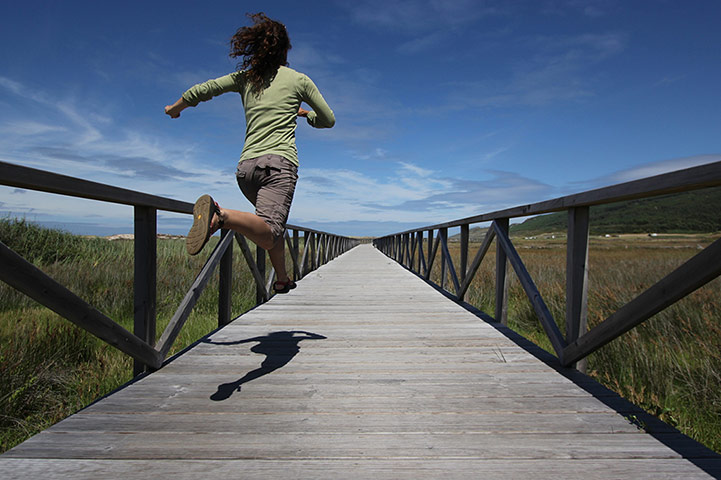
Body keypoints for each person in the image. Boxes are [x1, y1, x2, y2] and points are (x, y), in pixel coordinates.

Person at [164, 13, 335, 294]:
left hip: (246, 170)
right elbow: (329, 119)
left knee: (268, 226)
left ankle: (281, 279)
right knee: (270, 231)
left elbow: (204, 89)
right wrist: (307, 116)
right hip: (278, 167)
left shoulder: (246, 78)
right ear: (284, 50)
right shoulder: (299, 80)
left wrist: (175, 108)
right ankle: (221, 216)